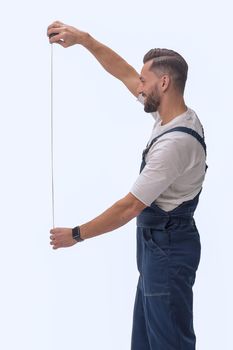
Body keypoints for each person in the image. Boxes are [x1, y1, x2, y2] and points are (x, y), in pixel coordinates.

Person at [47, 21, 207, 350]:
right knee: (147, 341)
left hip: (168, 247)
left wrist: (75, 234)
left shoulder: (174, 145)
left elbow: (129, 207)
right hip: (157, 247)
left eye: (145, 81)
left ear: (164, 83)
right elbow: (124, 73)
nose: (140, 87)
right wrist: (84, 40)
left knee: (169, 342)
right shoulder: (170, 115)